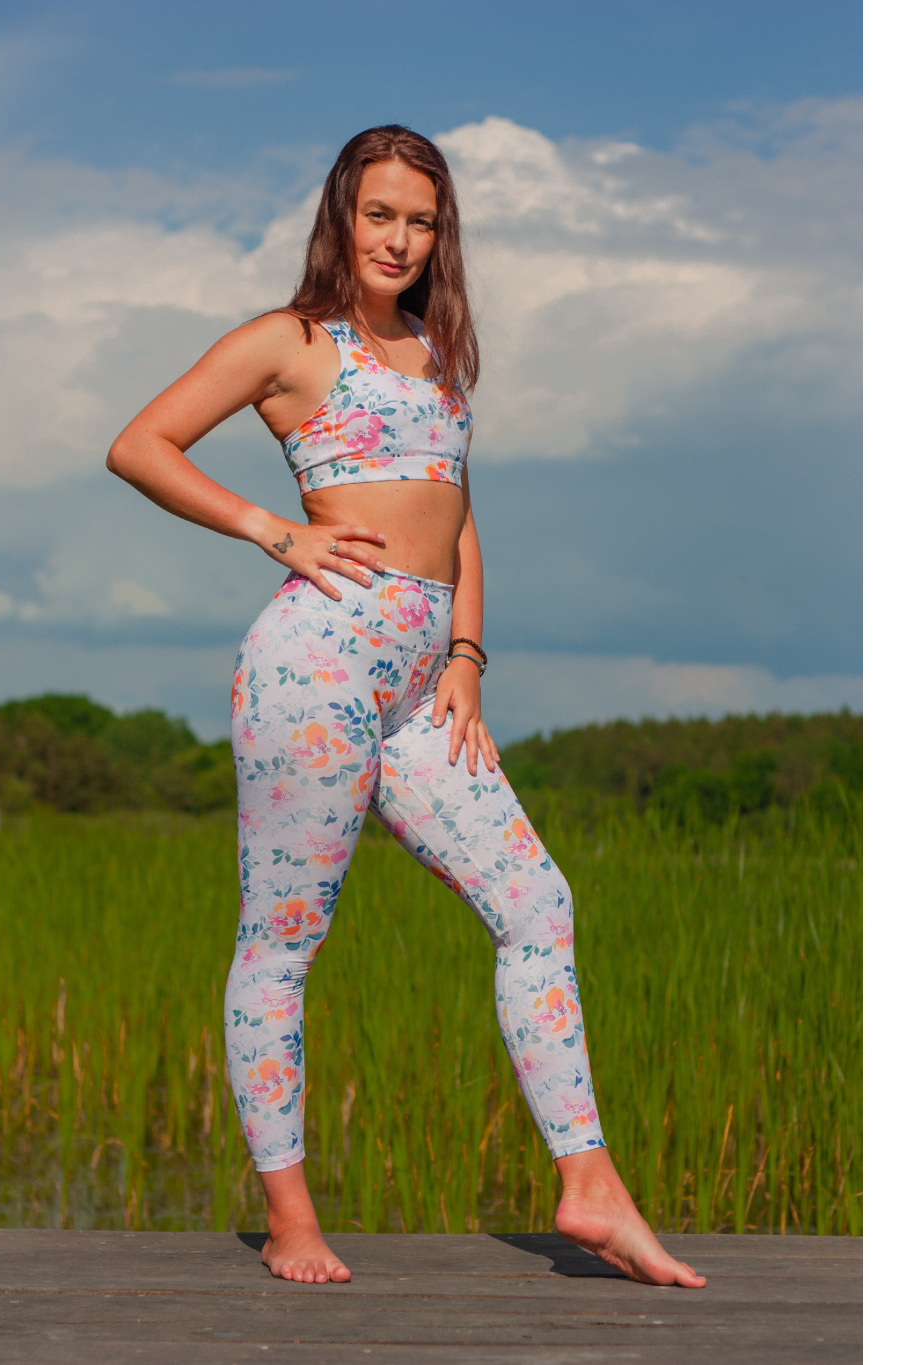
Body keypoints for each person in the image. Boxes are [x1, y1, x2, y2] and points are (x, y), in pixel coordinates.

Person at [108, 124, 706, 1290]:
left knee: (537, 904)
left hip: (426, 688)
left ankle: (590, 1189)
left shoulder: (437, 355)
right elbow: (140, 445)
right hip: (316, 666)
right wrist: (274, 530)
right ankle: (290, 1219)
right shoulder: (289, 341)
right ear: (341, 215)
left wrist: (467, 656)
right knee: (283, 941)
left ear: (442, 235)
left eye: (420, 221)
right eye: (378, 214)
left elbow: (458, 517)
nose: (398, 239)